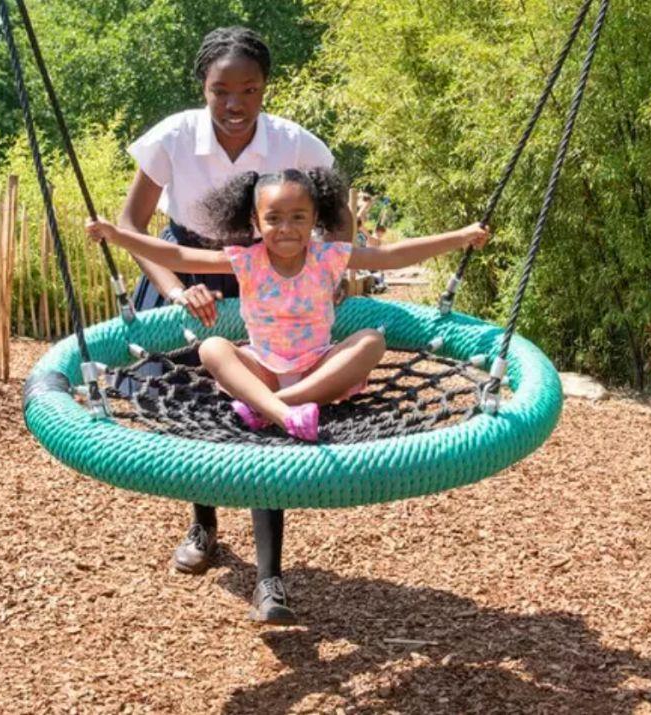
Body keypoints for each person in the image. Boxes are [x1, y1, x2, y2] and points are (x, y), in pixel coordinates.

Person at [87, 167, 488, 621]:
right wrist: (116, 236)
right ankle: (279, 407)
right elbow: (176, 252)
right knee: (214, 346)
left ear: (315, 218)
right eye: (273, 218)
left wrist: (460, 236)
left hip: (317, 370)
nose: (286, 229)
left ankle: (278, 409)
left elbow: (393, 256)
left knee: (371, 341)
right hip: (263, 367)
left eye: (298, 217)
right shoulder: (247, 260)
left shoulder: (329, 257)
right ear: (255, 223)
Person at [113, 27, 348, 591]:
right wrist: (173, 290)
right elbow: (131, 228)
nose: (235, 103)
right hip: (187, 270)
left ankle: (270, 573)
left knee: (264, 409)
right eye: (221, 90)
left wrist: (332, 271)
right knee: (189, 403)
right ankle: (203, 525)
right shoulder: (173, 137)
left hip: (271, 270)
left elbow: (338, 219)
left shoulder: (295, 144)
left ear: (266, 88)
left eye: (249, 89)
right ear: (203, 87)